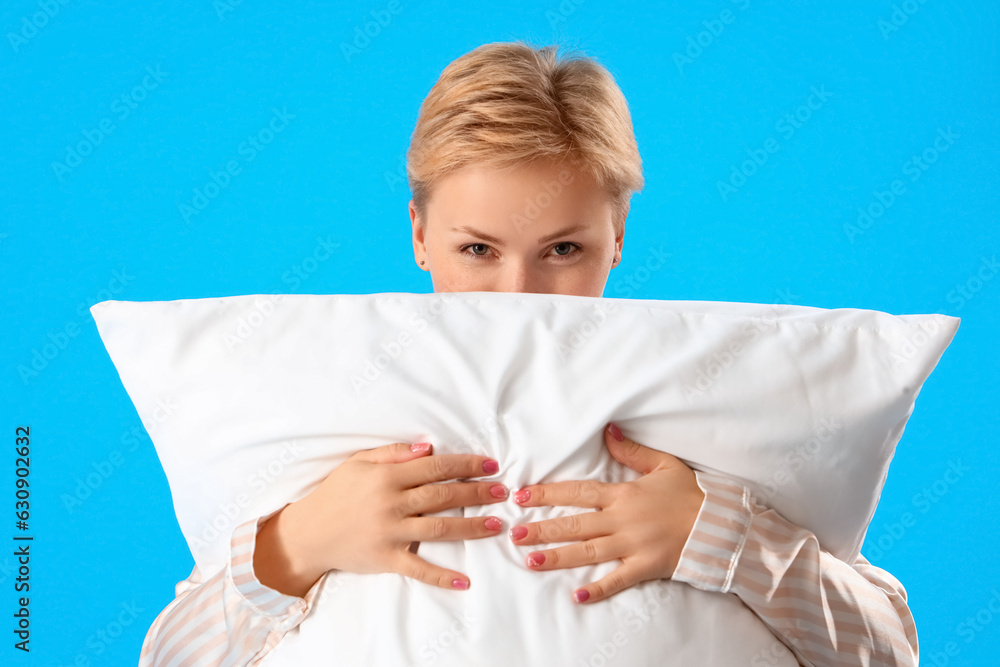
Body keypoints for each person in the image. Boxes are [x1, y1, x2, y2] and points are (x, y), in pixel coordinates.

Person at [138, 40, 918, 666]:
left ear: (617, 240)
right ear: (417, 233)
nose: (517, 290)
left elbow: (884, 654)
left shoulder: (702, 399)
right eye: (477, 247)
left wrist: (722, 538)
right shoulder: (340, 402)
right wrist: (300, 541)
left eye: (563, 248)